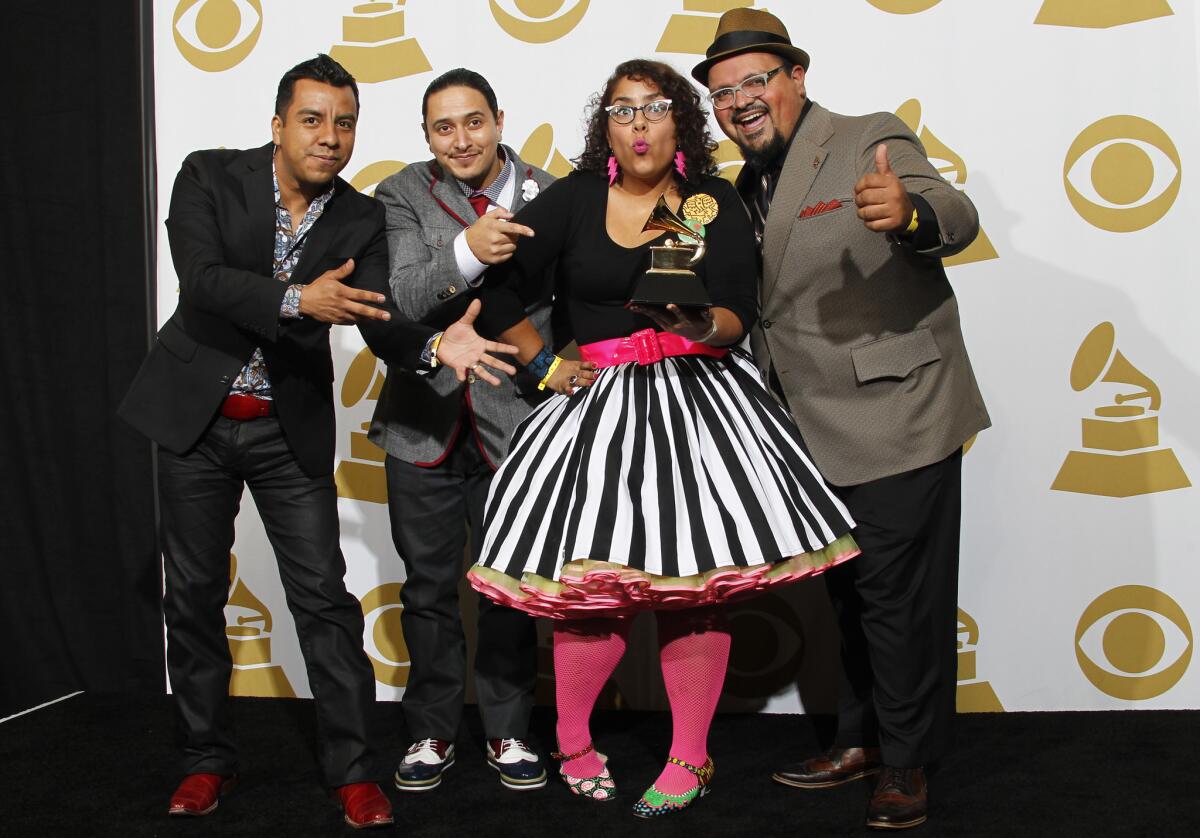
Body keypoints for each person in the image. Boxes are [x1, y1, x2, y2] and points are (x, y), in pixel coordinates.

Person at [118, 54, 515, 829]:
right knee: (194, 598)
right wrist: (300, 298)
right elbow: (201, 280)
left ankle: (353, 771)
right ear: (277, 124)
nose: (329, 137)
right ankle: (206, 761)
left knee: (325, 604)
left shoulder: (361, 217)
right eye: (312, 119)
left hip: (283, 430)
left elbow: (377, 318)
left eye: (344, 123)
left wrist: (435, 350)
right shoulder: (208, 176)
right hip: (193, 425)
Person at [464, 58, 858, 818]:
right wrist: (545, 365)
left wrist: (704, 326)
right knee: (593, 598)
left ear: (681, 119)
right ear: (603, 125)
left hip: (701, 408)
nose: (639, 123)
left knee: (694, 598)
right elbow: (500, 289)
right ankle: (574, 742)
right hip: (596, 417)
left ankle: (690, 757)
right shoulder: (572, 200)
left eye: (654, 107)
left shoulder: (711, 202)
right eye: (622, 109)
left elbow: (740, 308)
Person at [694, 9, 991, 831]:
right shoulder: (731, 187)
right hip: (805, 428)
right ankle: (861, 738)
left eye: (756, 79)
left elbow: (950, 210)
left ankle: (906, 764)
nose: (741, 100)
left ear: (796, 77)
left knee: (898, 598)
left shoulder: (868, 137)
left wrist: (914, 215)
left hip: (897, 411)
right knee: (850, 600)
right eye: (723, 91)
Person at [367, 68, 556, 793]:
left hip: (519, 429)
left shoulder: (551, 193)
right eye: (443, 127)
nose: (461, 139)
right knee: (426, 590)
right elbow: (407, 292)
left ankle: (509, 730)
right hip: (422, 427)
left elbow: (567, 311)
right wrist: (471, 247)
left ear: (500, 120)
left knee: (508, 588)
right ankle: (432, 731)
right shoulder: (402, 193)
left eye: (473, 122)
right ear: (425, 136)